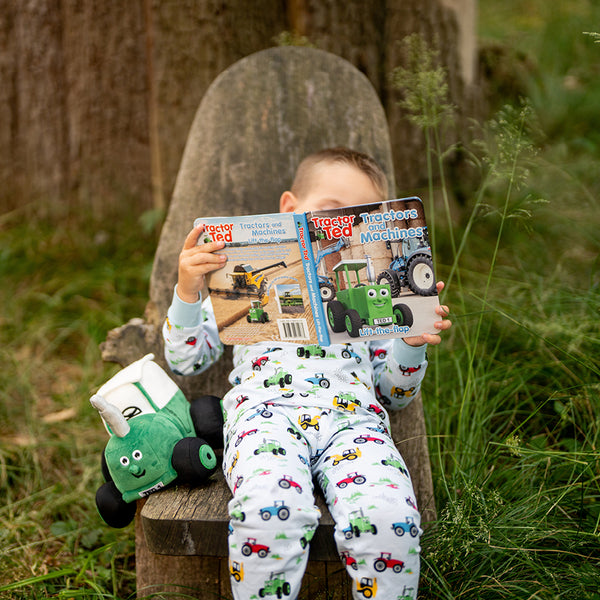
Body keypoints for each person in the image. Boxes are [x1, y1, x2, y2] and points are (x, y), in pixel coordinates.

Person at [163, 147, 451, 600]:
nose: (341, 231)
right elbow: (185, 359)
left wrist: (410, 344)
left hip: (355, 425)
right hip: (264, 419)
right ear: (289, 209)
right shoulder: (244, 280)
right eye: (332, 214)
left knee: (387, 518)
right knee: (268, 511)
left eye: (359, 220)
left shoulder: (372, 296)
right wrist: (186, 289)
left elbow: (394, 394)